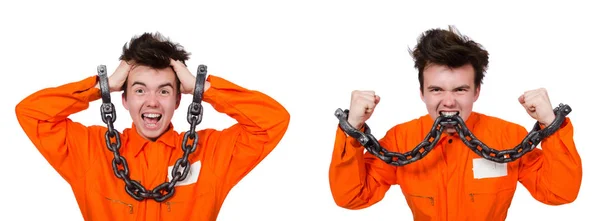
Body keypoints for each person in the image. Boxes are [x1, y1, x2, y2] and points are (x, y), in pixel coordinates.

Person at [15, 32, 290, 221]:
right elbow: (31, 113)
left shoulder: (211, 154)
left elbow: (273, 121)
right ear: (123, 100)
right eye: (139, 90)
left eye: (163, 91)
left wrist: (202, 88)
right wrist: (102, 87)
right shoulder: (90, 152)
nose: (152, 102)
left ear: (178, 100)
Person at [328, 26, 582, 221]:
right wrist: (353, 129)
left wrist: (550, 124)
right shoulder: (401, 139)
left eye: (460, 89)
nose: (448, 102)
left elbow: (559, 193)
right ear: (422, 92)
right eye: (436, 89)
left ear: (476, 92)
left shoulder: (508, 136)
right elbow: (352, 197)